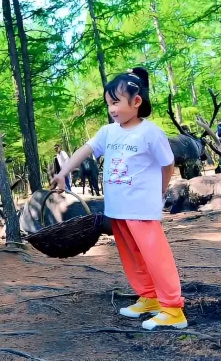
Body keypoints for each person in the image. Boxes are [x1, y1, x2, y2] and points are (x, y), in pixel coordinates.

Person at [51, 67, 187, 330]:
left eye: (116, 102)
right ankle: (149, 297)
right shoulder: (108, 132)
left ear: (136, 102)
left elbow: (167, 164)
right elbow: (85, 150)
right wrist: (63, 172)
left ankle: (172, 308)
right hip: (118, 208)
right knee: (131, 254)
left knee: (154, 255)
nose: (112, 109)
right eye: (108, 104)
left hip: (142, 208)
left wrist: (160, 190)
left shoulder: (150, 132)